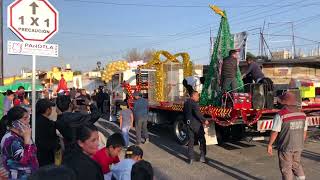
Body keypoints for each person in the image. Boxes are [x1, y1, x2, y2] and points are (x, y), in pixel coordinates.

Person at [268, 92, 308, 180]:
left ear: (283, 102)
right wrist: (301, 142)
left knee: (286, 169)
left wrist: (270, 144)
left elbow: (275, 131)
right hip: (299, 146)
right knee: (296, 165)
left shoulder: (280, 115)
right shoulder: (303, 114)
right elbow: (304, 131)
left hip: (286, 147)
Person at [0, 106, 38, 179]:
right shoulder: (10, 139)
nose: (28, 121)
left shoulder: (22, 134)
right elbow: (24, 160)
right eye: (25, 118)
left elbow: (33, 153)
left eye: (28, 118)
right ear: (15, 122)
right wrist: (27, 140)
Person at [183, 91, 209, 165]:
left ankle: (191, 158)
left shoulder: (186, 103)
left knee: (191, 141)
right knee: (202, 140)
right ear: (193, 96)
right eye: (197, 96)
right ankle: (202, 157)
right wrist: (205, 120)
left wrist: (186, 122)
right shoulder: (194, 104)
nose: (198, 97)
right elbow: (198, 114)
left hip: (189, 124)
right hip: (196, 125)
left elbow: (184, 114)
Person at [35, 99, 59, 167]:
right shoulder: (48, 123)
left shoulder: (33, 120)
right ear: (47, 110)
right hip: (46, 157)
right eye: (50, 108)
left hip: (36, 155)